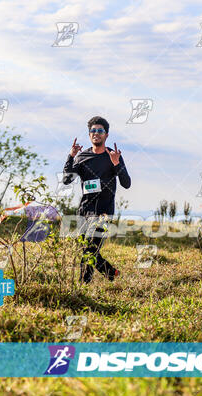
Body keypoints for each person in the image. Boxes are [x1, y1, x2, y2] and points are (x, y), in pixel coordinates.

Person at [63, 116, 131, 283]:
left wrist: (116, 164)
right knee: (84, 248)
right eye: (93, 131)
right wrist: (71, 156)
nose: (96, 133)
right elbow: (66, 180)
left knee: (91, 249)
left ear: (106, 135)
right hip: (84, 210)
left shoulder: (112, 156)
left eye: (100, 131)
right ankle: (110, 272)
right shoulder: (82, 156)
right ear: (89, 134)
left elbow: (127, 183)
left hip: (104, 211)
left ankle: (83, 286)